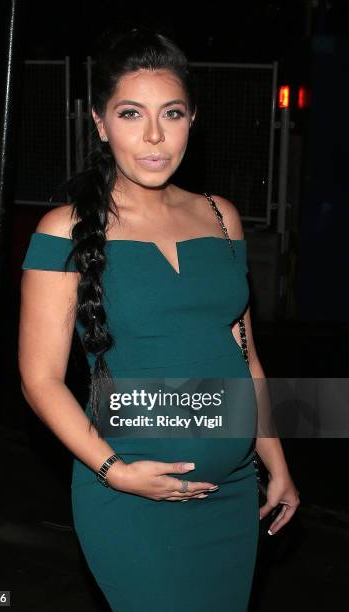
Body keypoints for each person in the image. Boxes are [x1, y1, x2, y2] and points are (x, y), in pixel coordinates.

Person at [18, 26, 300, 611]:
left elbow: (244, 355)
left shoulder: (222, 218)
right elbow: (39, 379)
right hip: (131, 496)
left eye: (170, 113)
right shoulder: (63, 230)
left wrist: (274, 458)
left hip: (232, 490)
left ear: (192, 119)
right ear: (100, 122)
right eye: (130, 113)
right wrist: (113, 469)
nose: (153, 135)